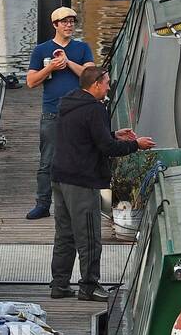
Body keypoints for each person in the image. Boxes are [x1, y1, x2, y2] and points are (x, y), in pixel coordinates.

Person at [51, 66, 155, 301]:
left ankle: (59, 284)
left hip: (60, 177)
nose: (109, 86)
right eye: (107, 82)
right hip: (82, 180)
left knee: (64, 234)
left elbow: (86, 134)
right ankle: (89, 286)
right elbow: (107, 149)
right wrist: (136, 144)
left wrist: (112, 133)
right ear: (96, 84)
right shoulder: (96, 109)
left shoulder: (69, 102)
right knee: (88, 236)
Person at [25, 7, 95, 220]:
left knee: (81, 158)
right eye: (64, 22)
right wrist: (51, 68)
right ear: (55, 25)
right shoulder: (41, 50)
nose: (69, 25)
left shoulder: (82, 48)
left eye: (72, 21)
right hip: (52, 112)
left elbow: (91, 76)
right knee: (47, 161)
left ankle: (79, 205)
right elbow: (30, 82)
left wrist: (68, 62)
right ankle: (43, 204)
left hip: (79, 113)